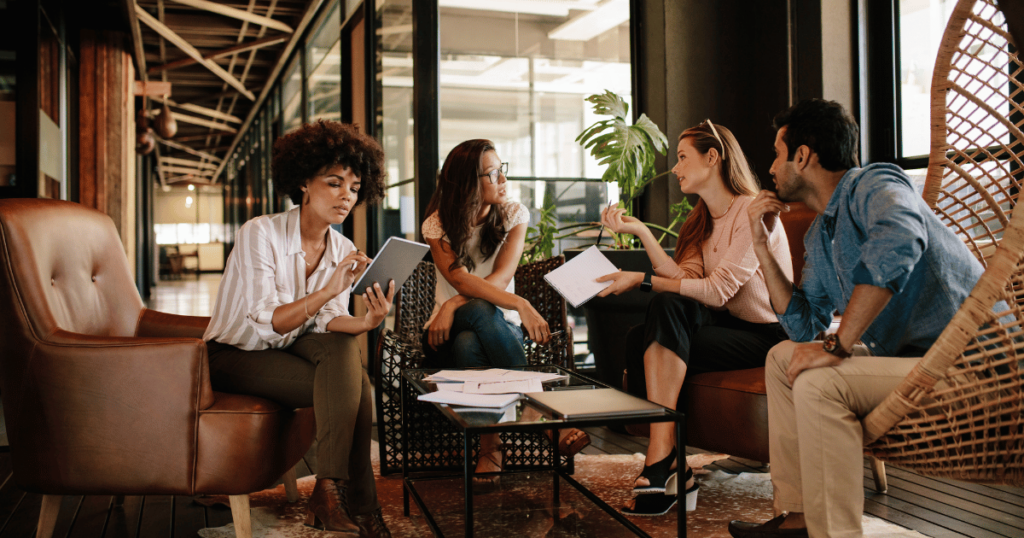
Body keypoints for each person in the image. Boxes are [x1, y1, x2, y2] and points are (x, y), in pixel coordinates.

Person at [729, 99, 987, 538]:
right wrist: (760, 244)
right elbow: (803, 328)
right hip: (916, 362)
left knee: (821, 382)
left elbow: (903, 235)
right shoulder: (820, 234)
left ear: (803, 156)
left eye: (777, 153)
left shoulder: (873, 182)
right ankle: (798, 517)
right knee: (781, 357)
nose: (770, 167)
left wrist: (841, 345)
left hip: (974, 362)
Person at [203, 120, 394, 538]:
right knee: (356, 389)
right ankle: (360, 505)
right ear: (304, 183)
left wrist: (366, 321)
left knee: (345, 353)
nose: (347, 195)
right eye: (334, 183)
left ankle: (329, 491)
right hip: (236, 355)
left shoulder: (341, 247)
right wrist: (328, 289)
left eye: (355, 188)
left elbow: (328, 323)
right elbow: (267, 320)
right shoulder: (261, 232)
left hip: (290, 348)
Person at [597, 120, 792, 516]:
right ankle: (671, 462)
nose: (676, 168)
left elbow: (718, 290)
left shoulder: (750, 211)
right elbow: (686, 280)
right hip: (728, 329)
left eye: (683, 157)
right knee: (642, 336)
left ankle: (662, 459)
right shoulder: (700, 220)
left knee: (662, 308)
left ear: (713, 157)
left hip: (767, 334)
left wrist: (641, 280)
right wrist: (642, 235)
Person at [421, 139, 591, 490]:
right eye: (492, 173)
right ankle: (541, 416)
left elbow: (499, 278)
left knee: (472, 343)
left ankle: (491, 450)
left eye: (502, 169)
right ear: (469, 183)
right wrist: (520, 304)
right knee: (472, 321)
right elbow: (458, 278)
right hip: (444, 331)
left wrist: (454, 301)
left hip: (495, 327)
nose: (503, 179)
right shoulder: (436, 225)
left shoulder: (514, 214)